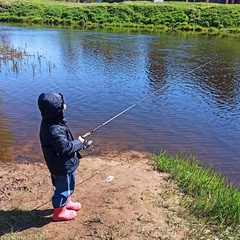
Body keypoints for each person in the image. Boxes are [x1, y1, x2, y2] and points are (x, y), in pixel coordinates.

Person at [38, 92, 92, 221]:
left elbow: (63, 145)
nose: (64, 106)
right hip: (62, 166)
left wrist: (78, 142)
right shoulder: (55, 130)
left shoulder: (49, 122)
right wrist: (80, 143)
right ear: (57, 111)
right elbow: (65, 148)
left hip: (58, 163)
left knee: (66, 186)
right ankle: (59, 213)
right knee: (63, 189)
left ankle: (67, 204)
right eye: (62, 105)